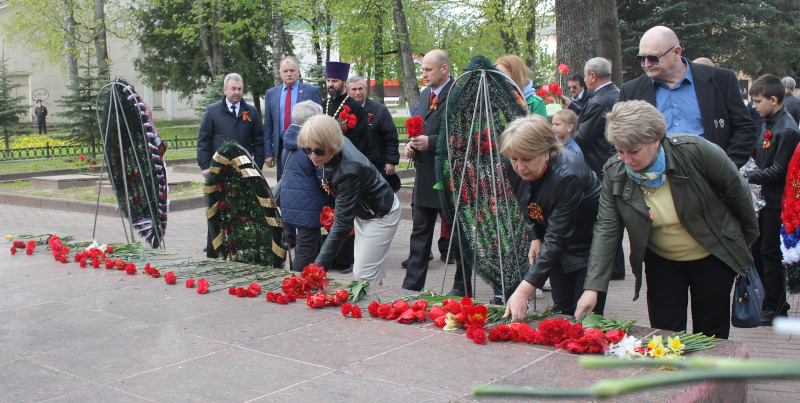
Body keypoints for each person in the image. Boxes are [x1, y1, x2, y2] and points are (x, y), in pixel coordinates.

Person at [575, 100, 759, 339]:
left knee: (710, 330)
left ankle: (709, 376)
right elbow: (607, 228)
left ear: (656, 140)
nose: (626, 160)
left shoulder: (696, 150)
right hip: (662, 260)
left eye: (634, 151)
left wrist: (749, 237)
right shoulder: (615, 172)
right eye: (620, 151)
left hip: (712, 254)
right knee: (666, 331)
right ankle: (673, 377)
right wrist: (593, 287)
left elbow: (738, 191)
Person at [501, 115, 606, 321]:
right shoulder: (514, 161)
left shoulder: (568, 175)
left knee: (585, 317)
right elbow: (527, 202)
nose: (520, 167)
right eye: (514, 159)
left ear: (547, 152)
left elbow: (558, 237)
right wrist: (535, 236)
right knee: (562, 309)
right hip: (555, 241)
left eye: (527, 159)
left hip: (588, 245)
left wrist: (522, 292)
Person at [619, 26, 757, 168]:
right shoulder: (631, 91)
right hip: (655, 180)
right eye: (641, 58)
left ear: (676, 53)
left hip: (710, 177)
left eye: (653, 58)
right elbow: (619, 139)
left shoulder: (720, 80)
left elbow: (744, 129)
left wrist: (726, 168)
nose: (646, 64)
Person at [299, 114, 401, 284]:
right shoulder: (334, 146)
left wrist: (316, 269)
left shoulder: (348, 171)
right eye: (307, 150)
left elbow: (341, 225)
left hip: (381, 215)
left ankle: (373, 309)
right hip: (365, 211)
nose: (312, 156)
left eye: (319, 151)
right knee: (371, 273)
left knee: (363, 275)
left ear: (332, 144)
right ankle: (380, 306)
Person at [402, 49, 472, 296]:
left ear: (444, 69)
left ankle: (461, 288)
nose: (424, 74)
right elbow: (419, 126)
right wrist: (412, 146)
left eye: (428, 70)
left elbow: (466, 137)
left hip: (450, 179)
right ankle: (412, 287)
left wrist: (431, 143)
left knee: (459, 238)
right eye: (422, 69)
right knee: (419, 236)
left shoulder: (460, 95)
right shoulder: (424, 95)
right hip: (424, 177)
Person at [744, 74, 800, 325]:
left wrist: (748, 175)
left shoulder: (786, 129)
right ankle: (767, 300)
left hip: (777, 201)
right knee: (759, 250)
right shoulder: (770, 121)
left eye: (757, 101)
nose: (754, 106)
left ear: (774, 100)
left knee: (769, 252)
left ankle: (776, 306)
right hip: (766, 199)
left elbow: (779, 170)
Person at [197, 73, 265, 257]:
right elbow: (203, 140)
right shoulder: (212, 112)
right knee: (217, 208)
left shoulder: (250, 112)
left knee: (240, 208)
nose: (236, 92)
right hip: (218, 170)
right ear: (225, 90)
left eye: (239, 89)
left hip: (243, 171)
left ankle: (237, 245)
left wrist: (256, 167)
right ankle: (213, 247)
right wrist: (205, 166)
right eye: (233, 89)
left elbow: (258, 141)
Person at [280, 101, 328, 272]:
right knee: (306, 250)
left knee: (314, 245)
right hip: (309, 204)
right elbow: (321, 177)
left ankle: (313, 280)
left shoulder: (290, 140)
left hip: (295, 201)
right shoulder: (310, 145)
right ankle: (295, 283)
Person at [263, 57, 323, 180]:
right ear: (280, 74)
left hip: (306, 144)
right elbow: (268, 125)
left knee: (306, 180)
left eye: (292, 70)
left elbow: (320, 121)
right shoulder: (271, 94)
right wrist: (269, 153)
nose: (289, 74)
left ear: (298, 72)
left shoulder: (311, 91)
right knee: (282, 180)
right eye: (285, 71)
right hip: (281, 146)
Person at [559, 57, 619, 177]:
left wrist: (562, 133)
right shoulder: (615, 92)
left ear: (593, 76)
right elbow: (593, 119)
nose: (585, 80)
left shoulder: (599, 101)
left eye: (585, 76)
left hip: (600, 166)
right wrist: (572, 107)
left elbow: (582, 138)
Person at [346, 76, 400, 179]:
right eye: (354, 89)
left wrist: (391, 161)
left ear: (366, 90)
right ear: (347, 91)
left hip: (375, 165)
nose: (358, 92)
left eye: (360, 89)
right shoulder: (343, 111)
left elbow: (391, 137)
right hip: (349, 165)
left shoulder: (380, 110)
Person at [320, 61, 369, 154]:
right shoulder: (323, 104)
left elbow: (362, 139)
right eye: (328, 81)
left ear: (344, 82)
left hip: (346, 157)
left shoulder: (355, 106)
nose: (330, 84)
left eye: (334, 81)